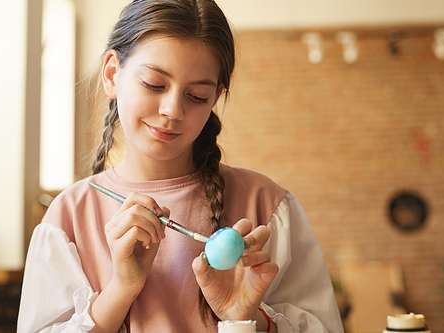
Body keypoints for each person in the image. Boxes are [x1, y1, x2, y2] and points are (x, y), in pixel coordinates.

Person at [17, 0, 343, 332]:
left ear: (214, 99)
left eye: (197, 95)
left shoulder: (267, 207)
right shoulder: (69, 217)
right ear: (112, 74)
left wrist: (246, 319)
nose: (173, 110)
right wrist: (120, 289)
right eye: (154, 85)